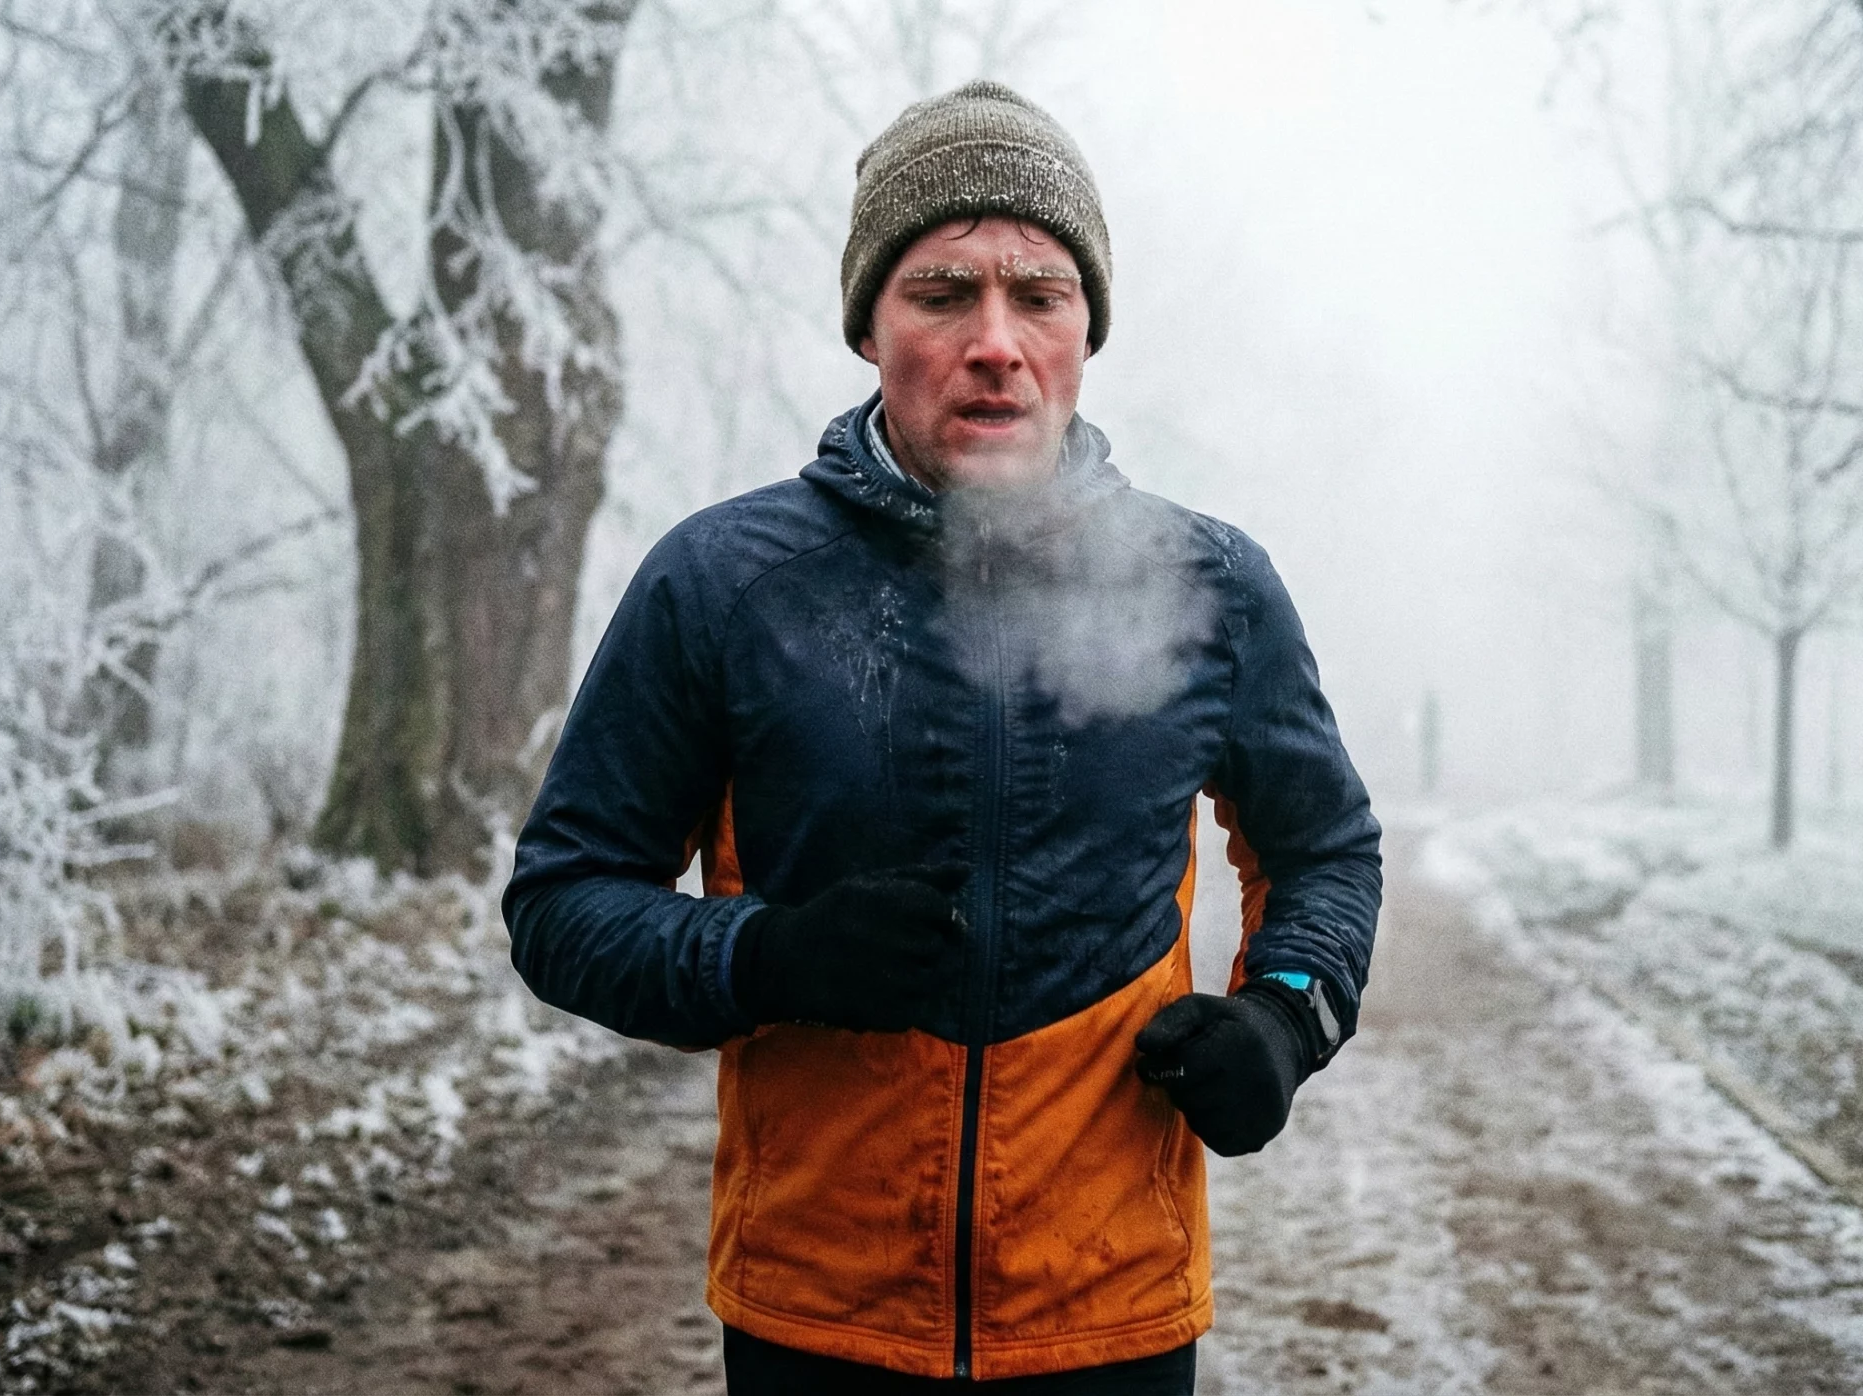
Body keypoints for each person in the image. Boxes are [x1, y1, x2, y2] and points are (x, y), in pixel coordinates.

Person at [503, 80, 1381, 1394]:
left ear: (1086, 330)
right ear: (870, 325)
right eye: (941, 292)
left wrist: (1285, 1016)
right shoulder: (727, 583)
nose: (995, 342)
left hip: (1110, 1321)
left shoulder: (1209, 587)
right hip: (820, 1324)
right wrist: (771, 955)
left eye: (1038, 295)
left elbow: (1327, 857)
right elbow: (564, 902)